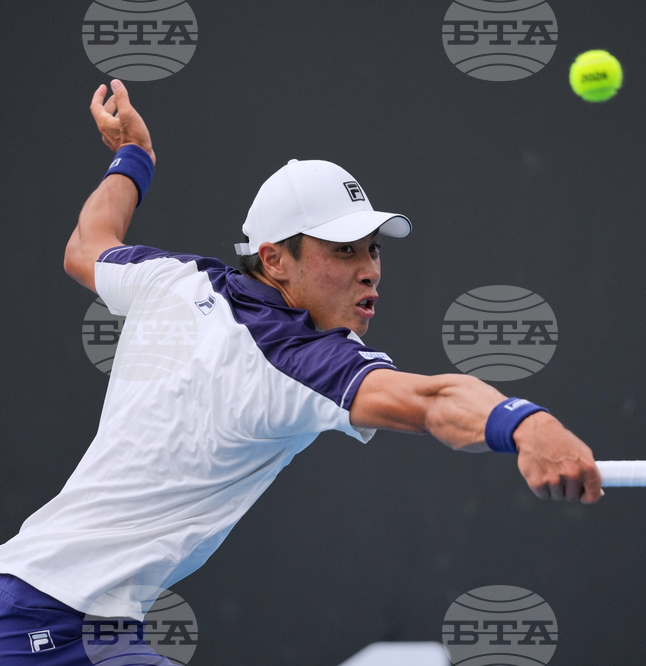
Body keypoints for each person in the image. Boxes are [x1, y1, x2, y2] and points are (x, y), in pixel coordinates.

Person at [0, 80, 601, 664]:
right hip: (49, 624)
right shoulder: (296, 361)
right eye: (344, 250)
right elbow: (432, 401)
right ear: (274, 259)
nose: (370, 270)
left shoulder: (175, 280)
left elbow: (86, 245)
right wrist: (525, 424)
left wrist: (134, 158)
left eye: (373, 249)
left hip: (55, 609)